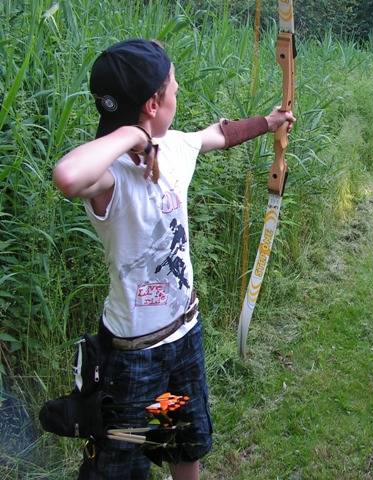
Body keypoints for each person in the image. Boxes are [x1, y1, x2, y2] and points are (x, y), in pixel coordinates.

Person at [52, 38, 295, 480]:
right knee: (125, 463)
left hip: (183, 336)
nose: (178, 89)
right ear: (152, 104)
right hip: (134, 357)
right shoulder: (110, 176)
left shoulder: (176, 146)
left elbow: (217, 135)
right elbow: (67, 176)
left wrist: (269, 122)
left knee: (183, 440)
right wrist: (134, 137)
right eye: (173, 85)